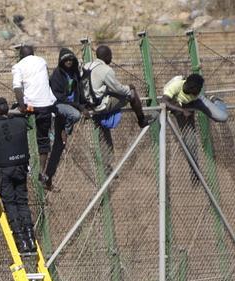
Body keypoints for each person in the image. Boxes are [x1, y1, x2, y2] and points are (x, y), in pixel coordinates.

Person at [12, 45, 80, 185]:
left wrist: (21, 106)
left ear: (20, 56)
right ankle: (42, 172)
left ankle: (22, 163)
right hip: (45, 106)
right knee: (43, 139)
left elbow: (17, 87)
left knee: (17, 128)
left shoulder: (18, 66)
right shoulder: (42, 61)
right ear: (33, 53)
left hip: (30, 106)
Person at [82, 45, 157, 164]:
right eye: (110, 55)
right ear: (106, 56)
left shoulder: (86, 65)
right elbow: (119, 89)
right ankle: (142, 120)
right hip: (101, 105)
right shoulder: (106, 70)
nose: (111, 58)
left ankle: (107, 163)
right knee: (131, 94)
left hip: (88, 104)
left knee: (103, 134)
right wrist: (129, 87)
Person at [0, 97, 35, 254]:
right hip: (21, 168)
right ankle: (31, 239)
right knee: (22, 202)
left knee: (10, 204)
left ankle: (20, 240)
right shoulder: (20, 123)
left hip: (5, 170)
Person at [162, 74, 228, 183]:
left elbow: (197, 96)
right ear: (192, 88)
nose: (200, 90)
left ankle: (215, 101)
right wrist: (183, 111)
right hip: (181, 106)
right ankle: (195, 172)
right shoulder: (176, 86)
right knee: (190, 143)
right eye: (199, 89)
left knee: (222, 117)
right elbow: (164, 101)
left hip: (196, 102)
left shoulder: (197, 94)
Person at [45, 48, 84, 191]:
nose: (68, 62)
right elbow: (59, 97)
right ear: (61, 61)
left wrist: (83, 104)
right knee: (76, 115)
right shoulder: (57, 75)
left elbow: (79, 91)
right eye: (66, 60)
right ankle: (64, 131)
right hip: (59, 107)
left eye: (71, 60)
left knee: (58, 148)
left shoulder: (74, 74)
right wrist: (77, 106)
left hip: (71, 106)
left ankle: (48, 177)